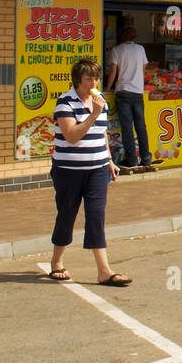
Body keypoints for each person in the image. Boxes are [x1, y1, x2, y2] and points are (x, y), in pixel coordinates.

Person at [48, 58, 129, 286]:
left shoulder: (99, 100)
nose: (93, 82)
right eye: (88, 79)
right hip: (68, 170)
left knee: (96, 216)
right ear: (77, 81)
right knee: (67, 214)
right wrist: (93, 114)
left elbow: (102, 133)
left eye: (96, 77)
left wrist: (110, 159)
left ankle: (104, 270)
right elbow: (71, 136)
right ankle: (56, 261)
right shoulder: (65, 102)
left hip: (98, 168)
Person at [107, 24, 154, 173]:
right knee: (141, 126)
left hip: (123, 92)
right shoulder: (140, 49)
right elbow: (143, 68)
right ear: (133, 36)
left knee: (127, 128)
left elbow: (113, 71)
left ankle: (132, 160)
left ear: (121, 36)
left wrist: (107, 89)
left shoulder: (117, 50)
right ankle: (146, 158)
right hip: (138, 92)